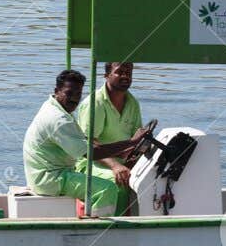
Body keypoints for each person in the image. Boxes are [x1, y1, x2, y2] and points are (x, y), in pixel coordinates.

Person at [22, 70, 147, 216]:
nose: (74, 99)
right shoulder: (58, 120)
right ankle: (101, 230)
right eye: (69, 93)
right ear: (57, 91)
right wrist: (131, 142)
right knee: (107, 188)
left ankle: (95, 218)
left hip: (49, 174)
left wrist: (123, 150)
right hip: (52, 179)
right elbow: (92, 153)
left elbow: (88, 145)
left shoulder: (53, 106)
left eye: (78, 94)